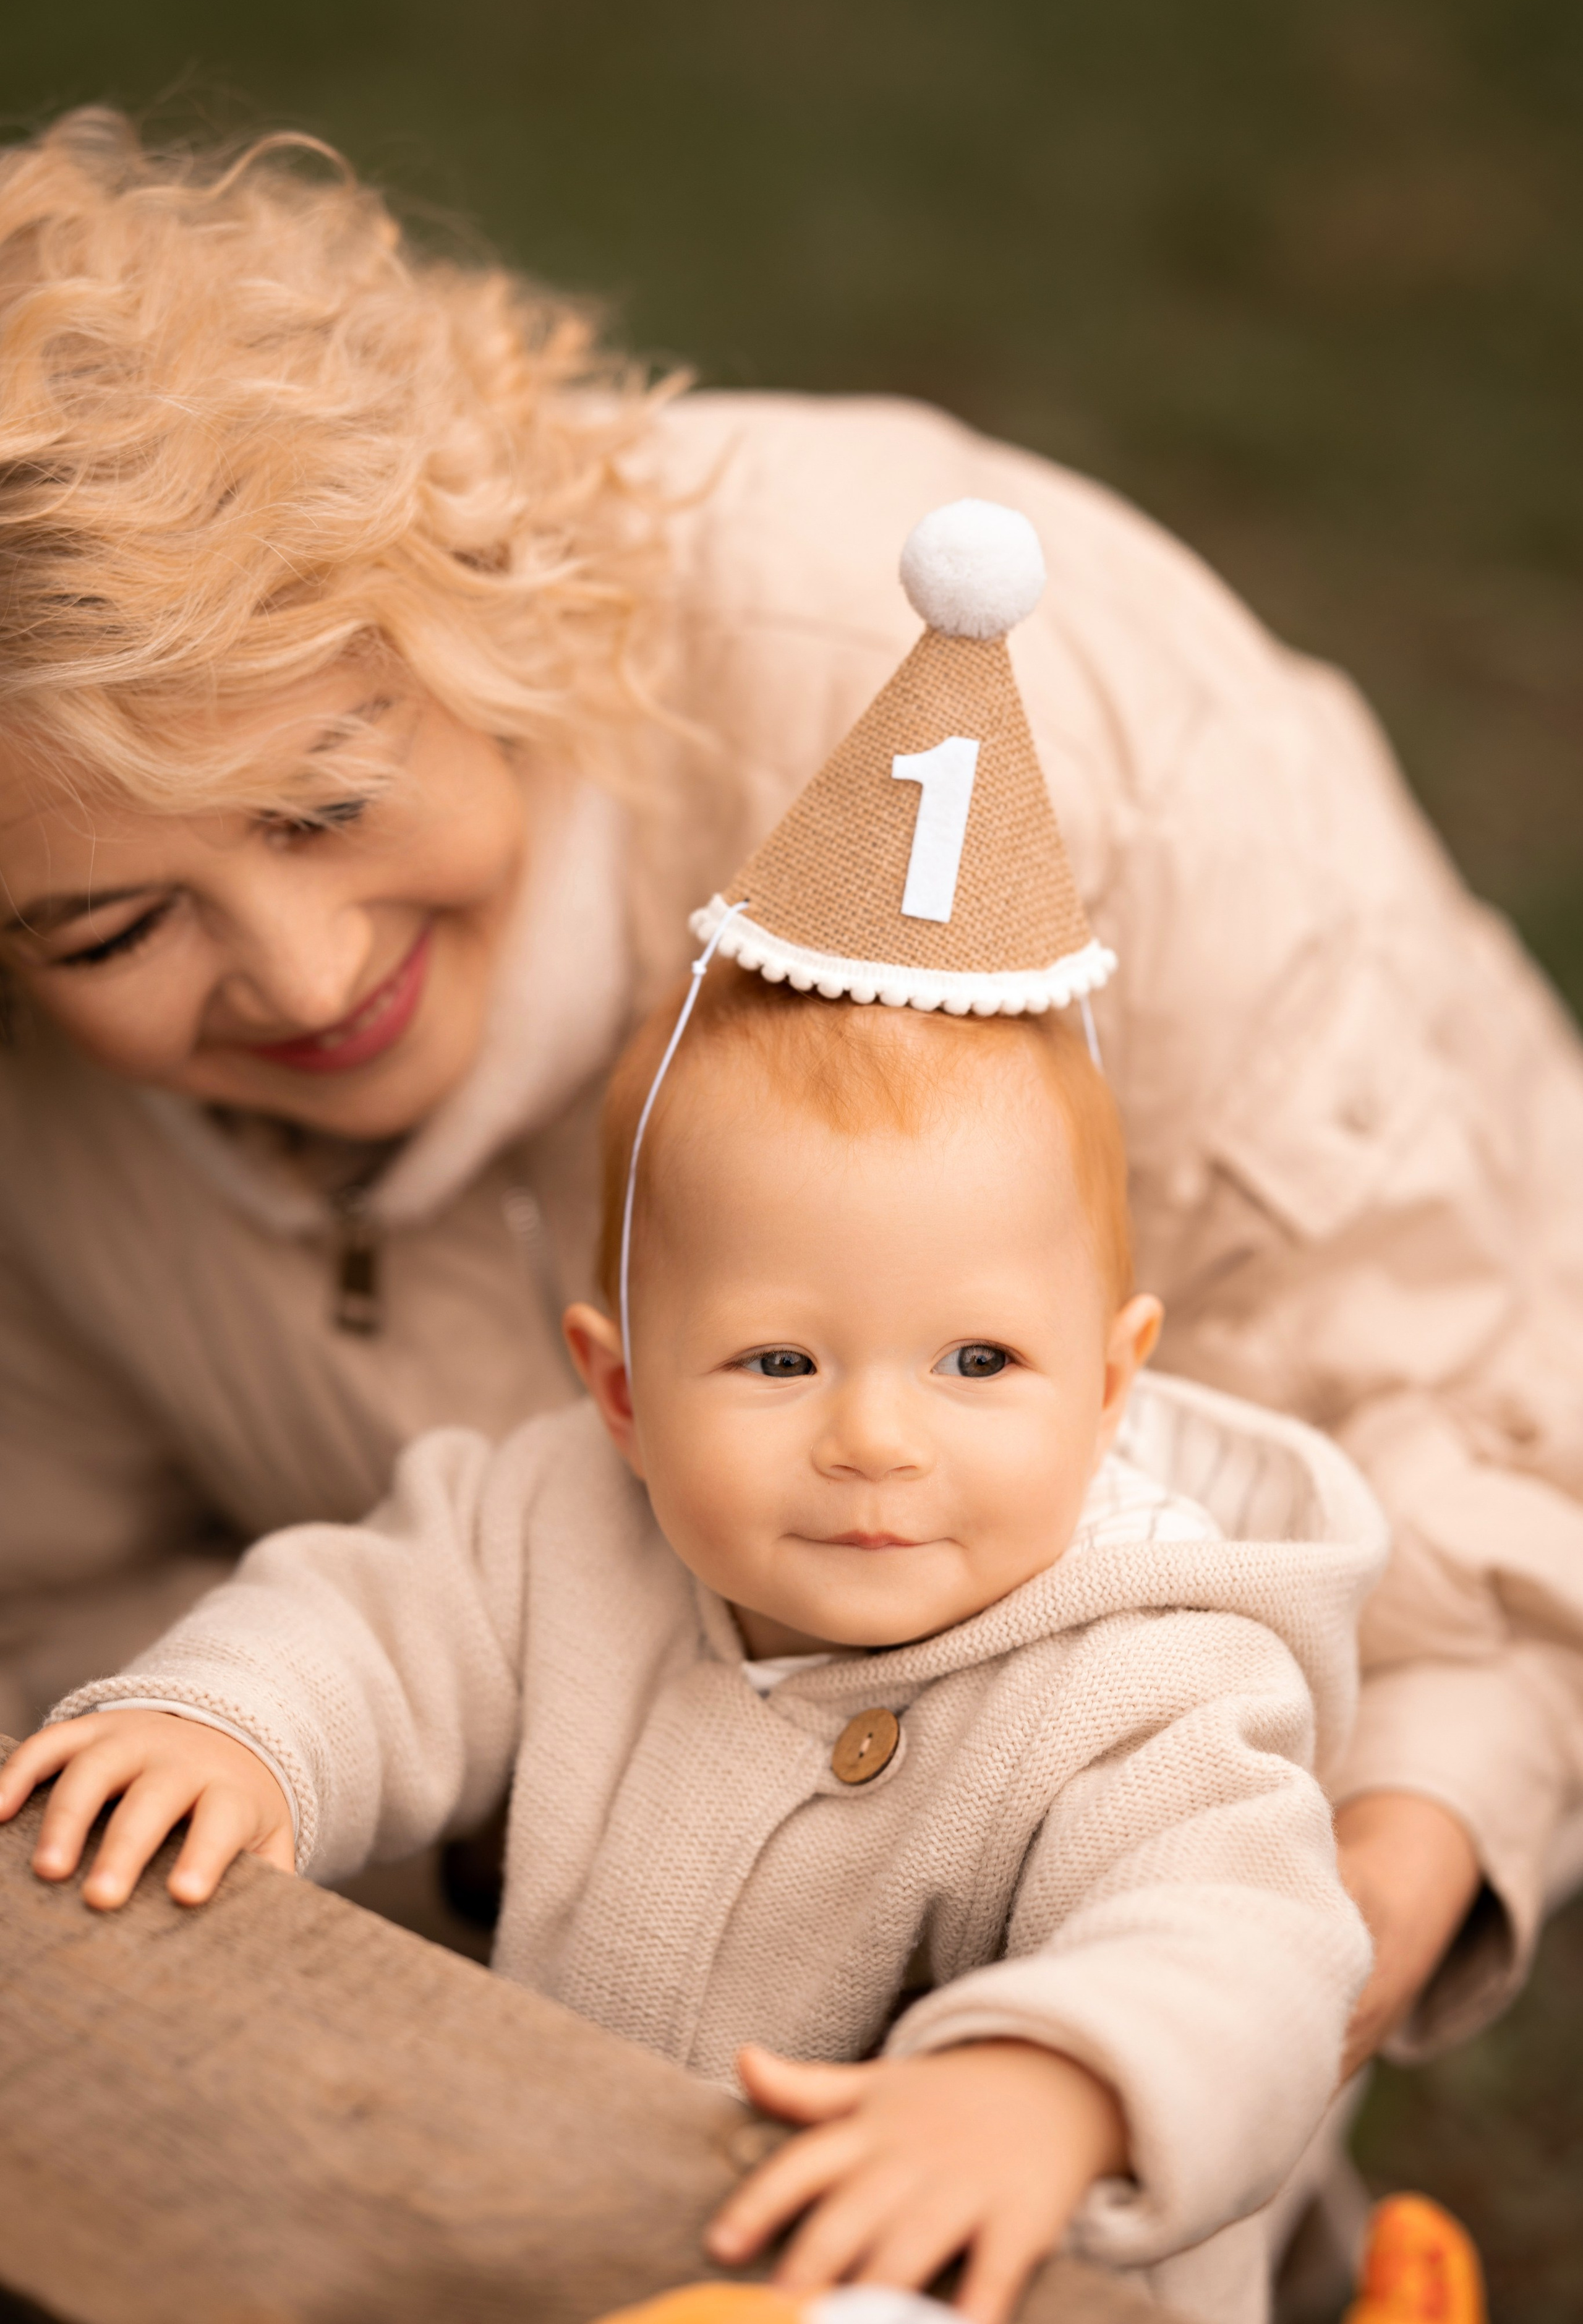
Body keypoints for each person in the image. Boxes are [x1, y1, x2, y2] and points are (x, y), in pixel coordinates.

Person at [1, 106, 1581, 2103]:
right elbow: (102, 1589)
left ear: (468, 603)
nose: (305, 975)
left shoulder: (1023, 706)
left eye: (325, 792)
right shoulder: (114, 1194)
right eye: (112, 923)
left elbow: (1462, 1354)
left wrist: (1348, 1888)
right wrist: (349, 1769)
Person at [0, 907, 1384, 2324]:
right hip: (571, 2218)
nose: (874, 1438)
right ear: (621, 1391)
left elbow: (1242, 1935)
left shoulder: (1152, 1675)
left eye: (977, 1357)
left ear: (1106, 1387)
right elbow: (369, 1621)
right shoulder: (558, 1517)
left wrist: (1056, 2085)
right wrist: (228, 1722)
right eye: (777, 1357)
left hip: (959, 2277)